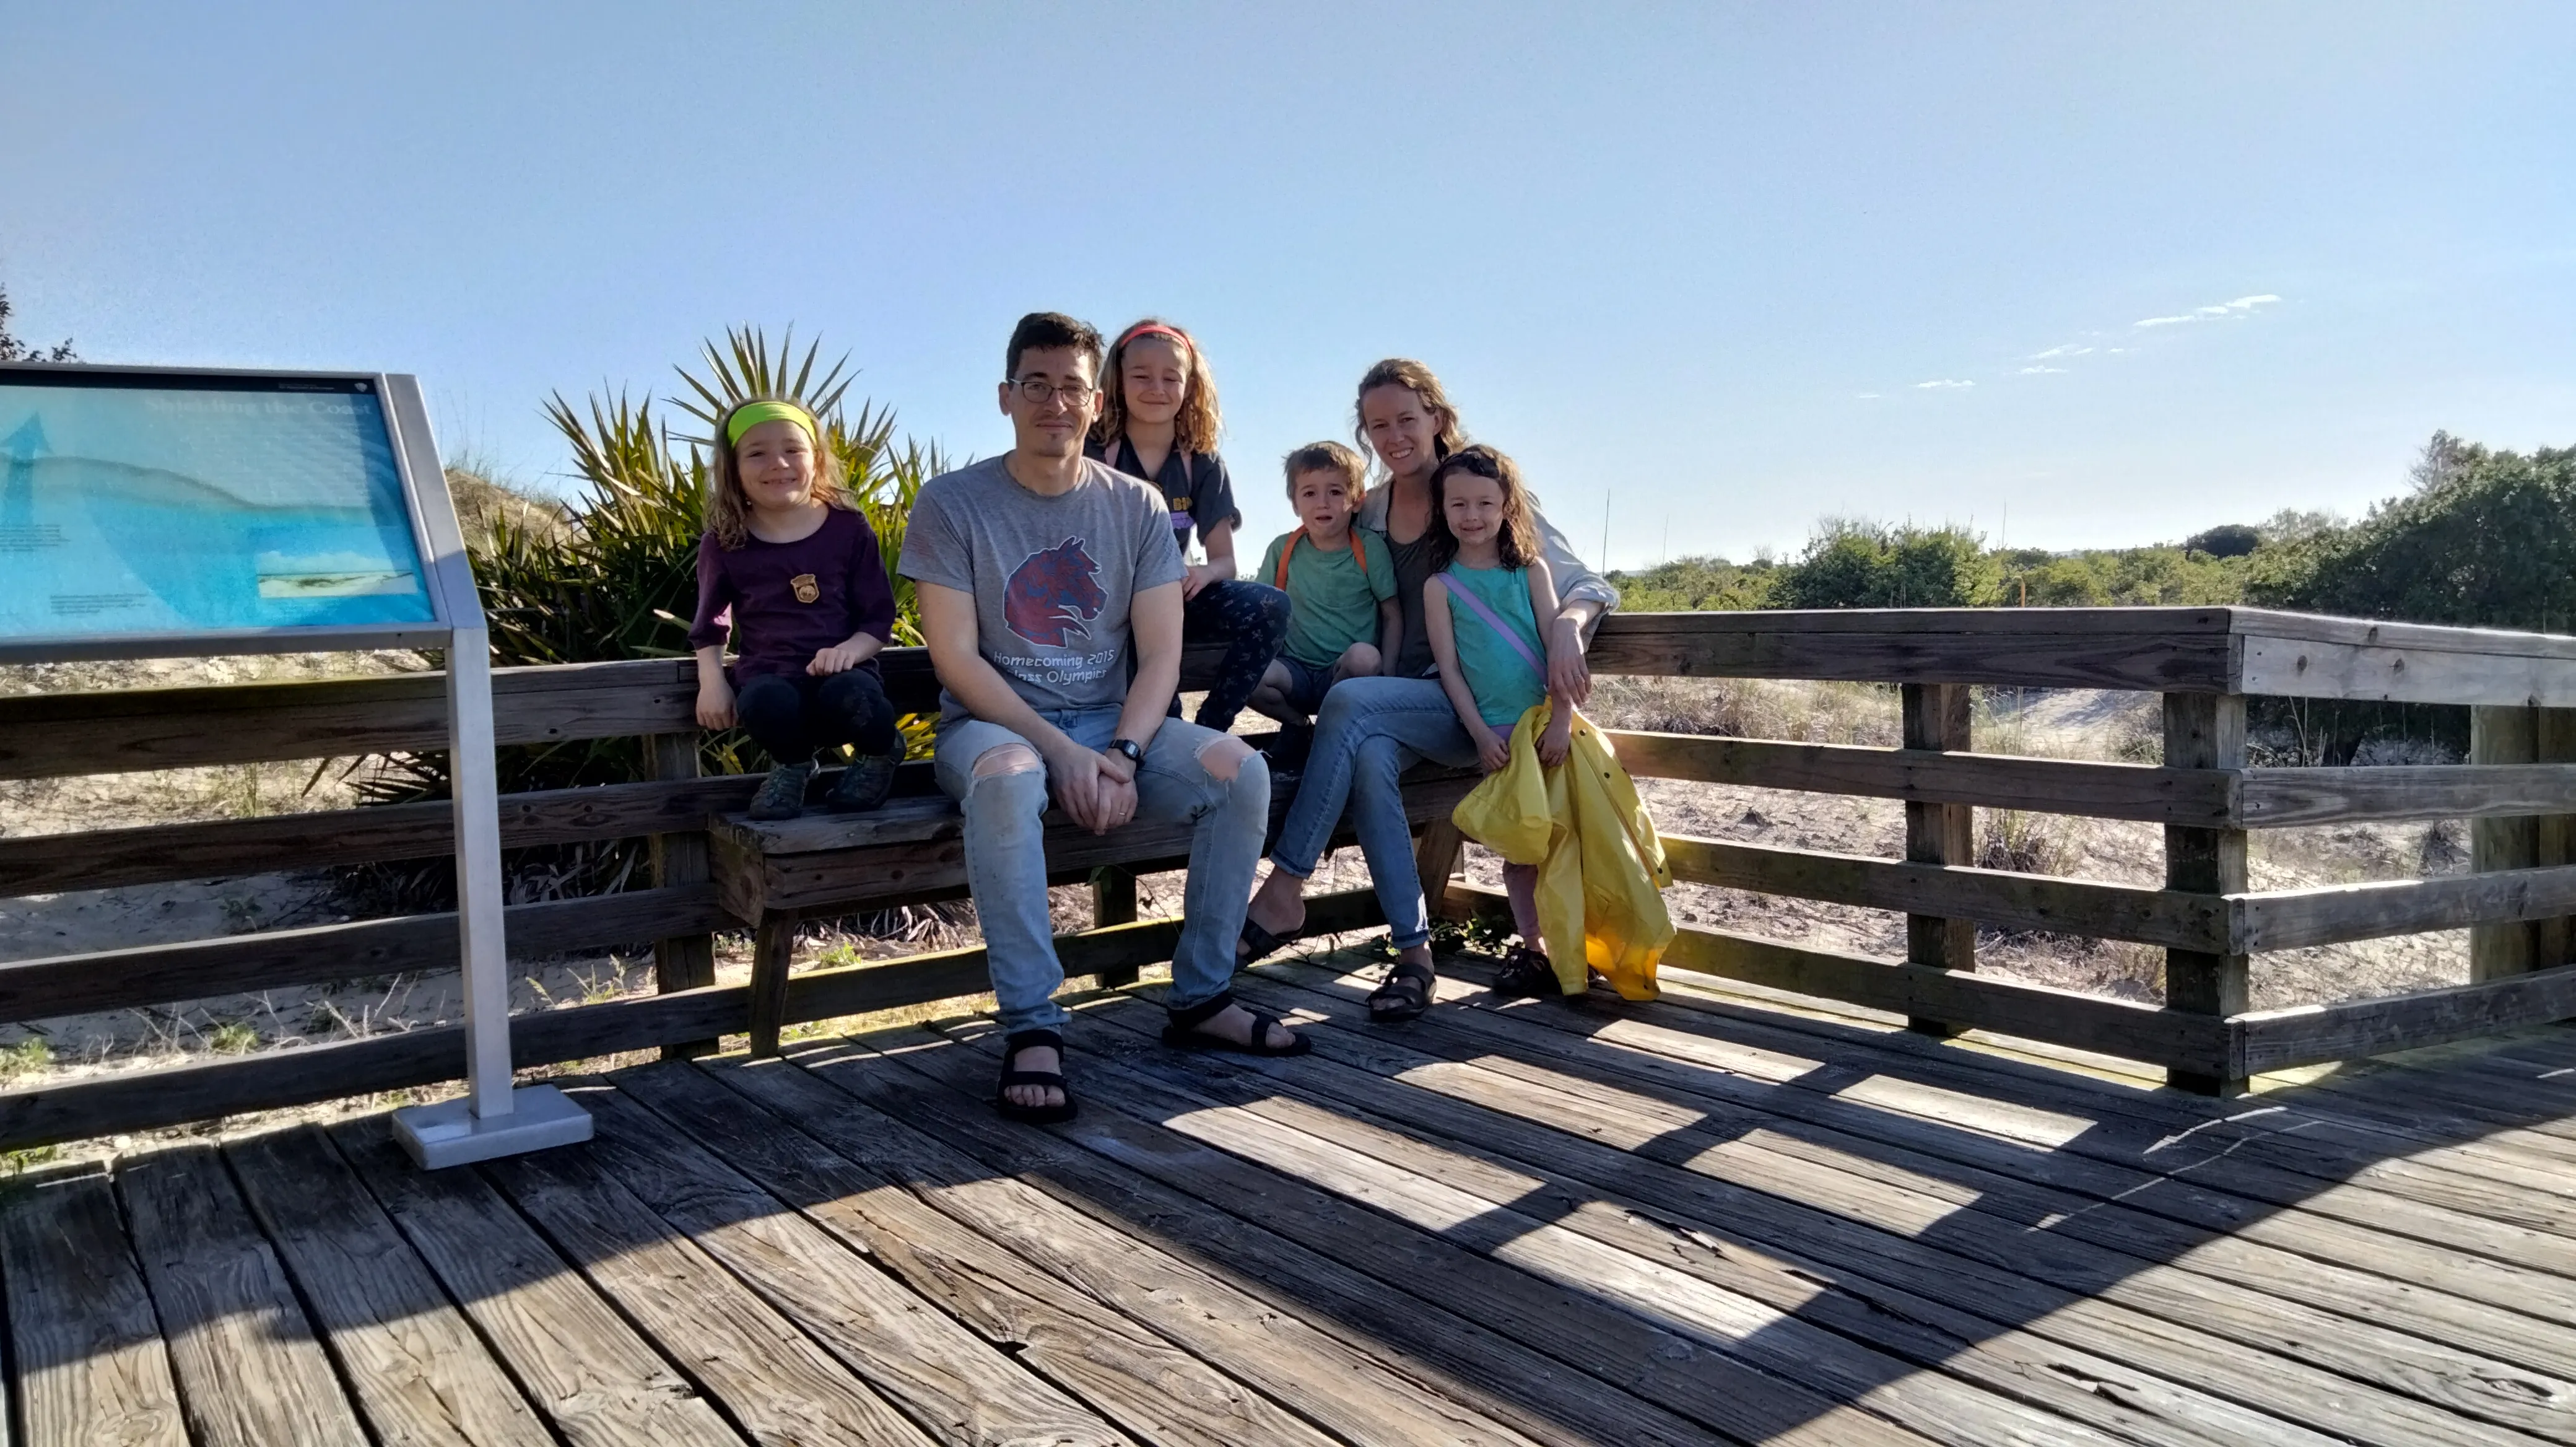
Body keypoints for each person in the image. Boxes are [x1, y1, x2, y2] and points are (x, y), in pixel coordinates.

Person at [903, 312, 1308, 1126]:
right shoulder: (952, 504)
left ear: (1096, 405)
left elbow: (1160, 654)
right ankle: (1032, 1024)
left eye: (1072, 389)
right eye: (1037, 386)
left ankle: (1201, 996)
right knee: (1013, 780)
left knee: (1241, 772)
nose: (1056, 403)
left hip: (1113, 726)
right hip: (995, 731)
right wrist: (1059, 752)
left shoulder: (1137, 506)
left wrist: (1122, 752)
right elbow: (955, 661)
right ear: (1006, 396)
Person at [1240, 359, 1619, 1023]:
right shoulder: (1373, 506)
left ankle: (1284, 889)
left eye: (1406, 419)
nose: (1393, 436)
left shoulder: (1477, 489)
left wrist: (1567, 625)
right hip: (1415, 700)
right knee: (1365, 754)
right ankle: (1414, 956)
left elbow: (1584, 581)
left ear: (1436, 419)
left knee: (1352, 705)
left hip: (1480, 708)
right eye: (1376, 425)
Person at [689, 397, 904, 821]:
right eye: (757, 453)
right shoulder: (725, 541)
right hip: (773, 678)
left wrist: (851, 652)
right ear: (732, 468)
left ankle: (880, 753)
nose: (778, 463)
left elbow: (879, 617)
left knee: (852, 695)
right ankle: (794, 765)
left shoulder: (849, 528)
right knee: (763, 702)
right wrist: (711, 681)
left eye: (793, 449)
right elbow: (711, 624)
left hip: (844, 678)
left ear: (816, 458)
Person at [1420, 445, 1575, 995]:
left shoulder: (1530, 572)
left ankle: (1574, 947)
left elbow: (1557, 654)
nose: (1472, 516)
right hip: (1501, 743)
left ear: (1507, 506)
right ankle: (1534, 950)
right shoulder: (1439, 587)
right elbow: (1452, 672)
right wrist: (1481, 734)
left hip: (1549, 732)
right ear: (1442, 509)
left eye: (1486, 503)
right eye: (1458, 504)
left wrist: (1562, 720)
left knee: (1567, 842)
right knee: (1521, 848)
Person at [1086, 318, 1289, 732]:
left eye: (1170, 378)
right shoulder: (1093, 450)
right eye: (1141, 376)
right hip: (1110, 604)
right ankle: (1165, 730)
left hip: (1174, 597)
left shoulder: (1201, 462)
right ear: (1117, 382)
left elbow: (1224, 562)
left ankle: (1212, 726)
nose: (1156, 388)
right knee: (1158, 711)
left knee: (1272, 605)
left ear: (1190, 387)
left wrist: (1204, 573)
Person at [1247, 440, 1399, 751]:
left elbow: (1392, 614)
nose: (1323, 503)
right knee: (1247, 672)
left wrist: (1391, 678)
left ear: (1357, 500)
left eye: (1335, 492)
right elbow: (1260, 610)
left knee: (1366, 656)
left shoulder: (1369, 548)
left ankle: (1330, 731)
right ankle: (1299, 726)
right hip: (1294, 672)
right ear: (1295, 504)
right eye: (1310, 493)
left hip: (1344, 677)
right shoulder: (1283, 549)